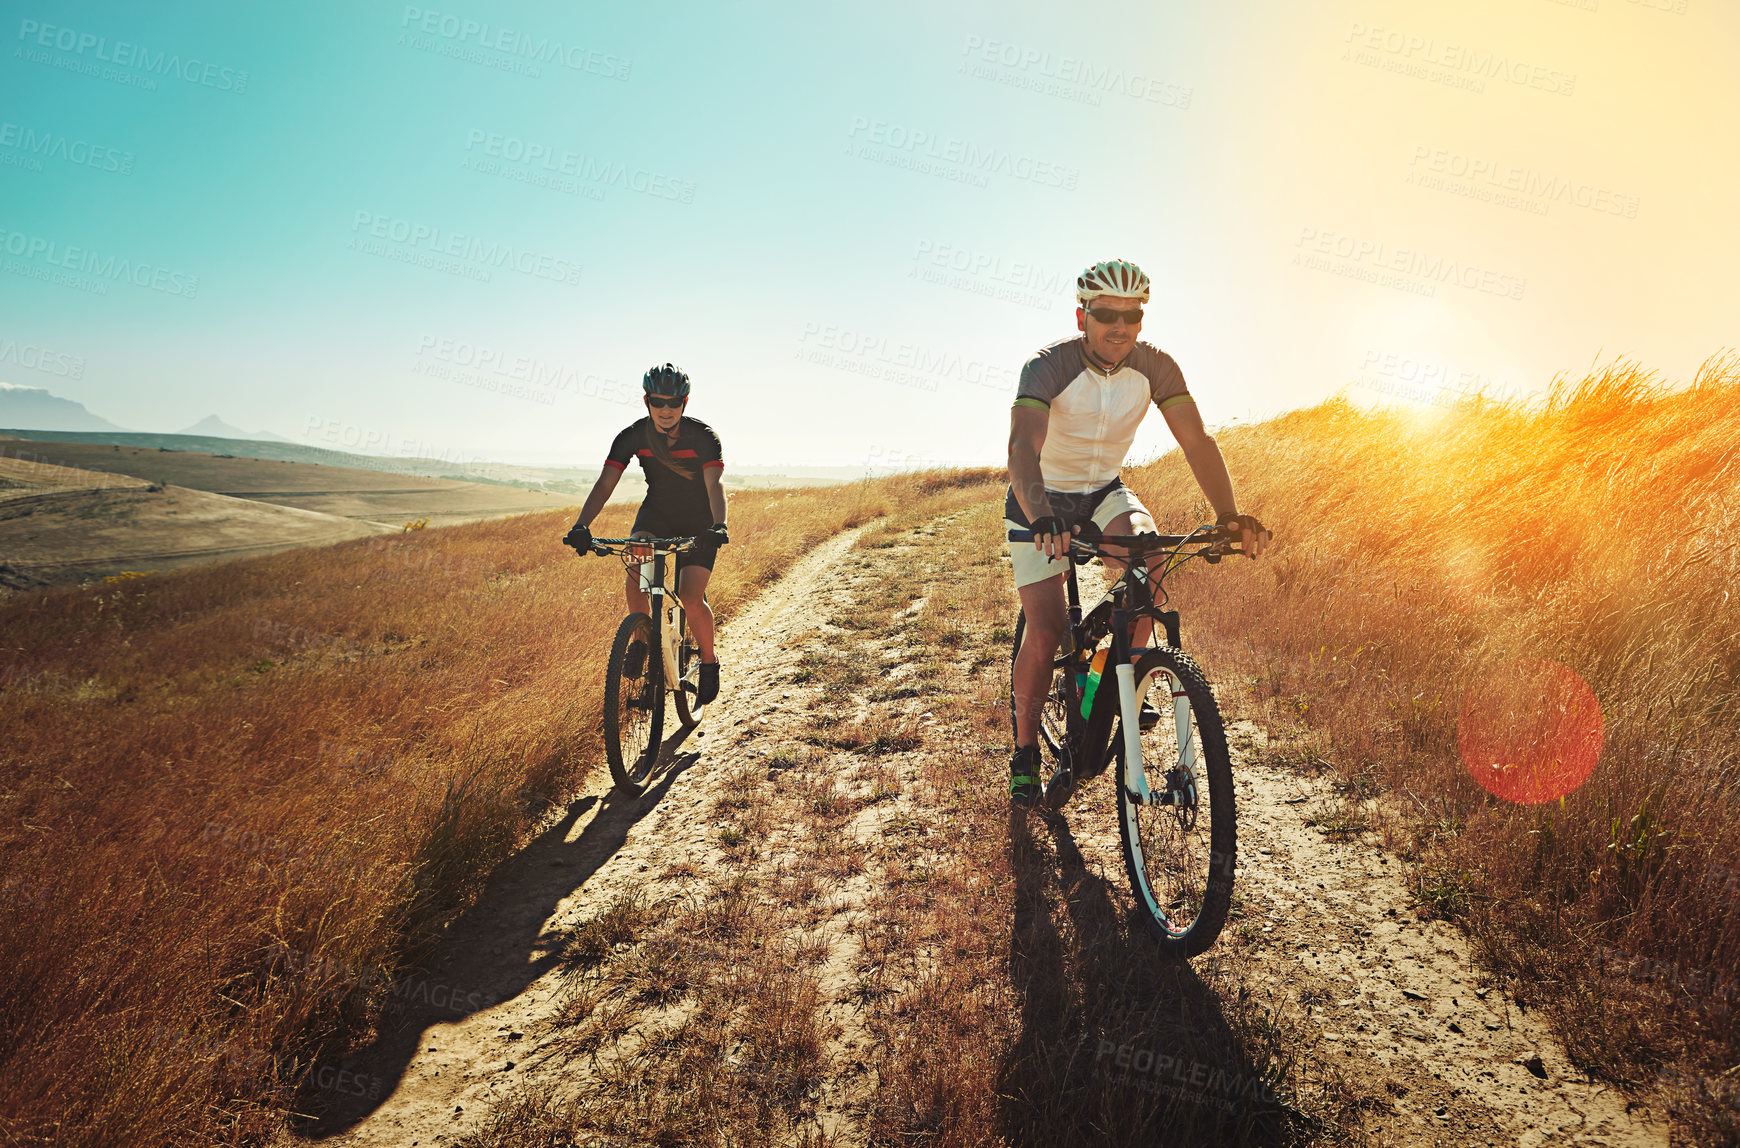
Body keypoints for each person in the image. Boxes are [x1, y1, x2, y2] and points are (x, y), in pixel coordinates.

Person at [1006, 258, 1270, 805]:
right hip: (1041, 498)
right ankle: (1026, 753)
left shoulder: (1158, 368)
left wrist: (1228, 515)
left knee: (1149, 568)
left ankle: (1113, 677)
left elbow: (1196, 441)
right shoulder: (1047, 366)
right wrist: (1041, 518)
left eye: (1132, 315)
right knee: (1048, 626)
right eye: (1105, 314)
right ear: (1082, 316)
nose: (1119, 326)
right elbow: (1021, 449)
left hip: (1104, 491)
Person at [563, 363, 728, 706]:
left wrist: (718, 525)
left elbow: (715, 483)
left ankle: (709, 664)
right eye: (658, 401)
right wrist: (582, 525)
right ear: (646, 401)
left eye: (673, 402)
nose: (665, 409)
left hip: (700, 520)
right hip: (656, 516)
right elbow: (606, 482)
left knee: (690, 596)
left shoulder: (703, 436)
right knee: (637, 567)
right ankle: (640, 640)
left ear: (685, 402)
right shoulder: (633, 436)